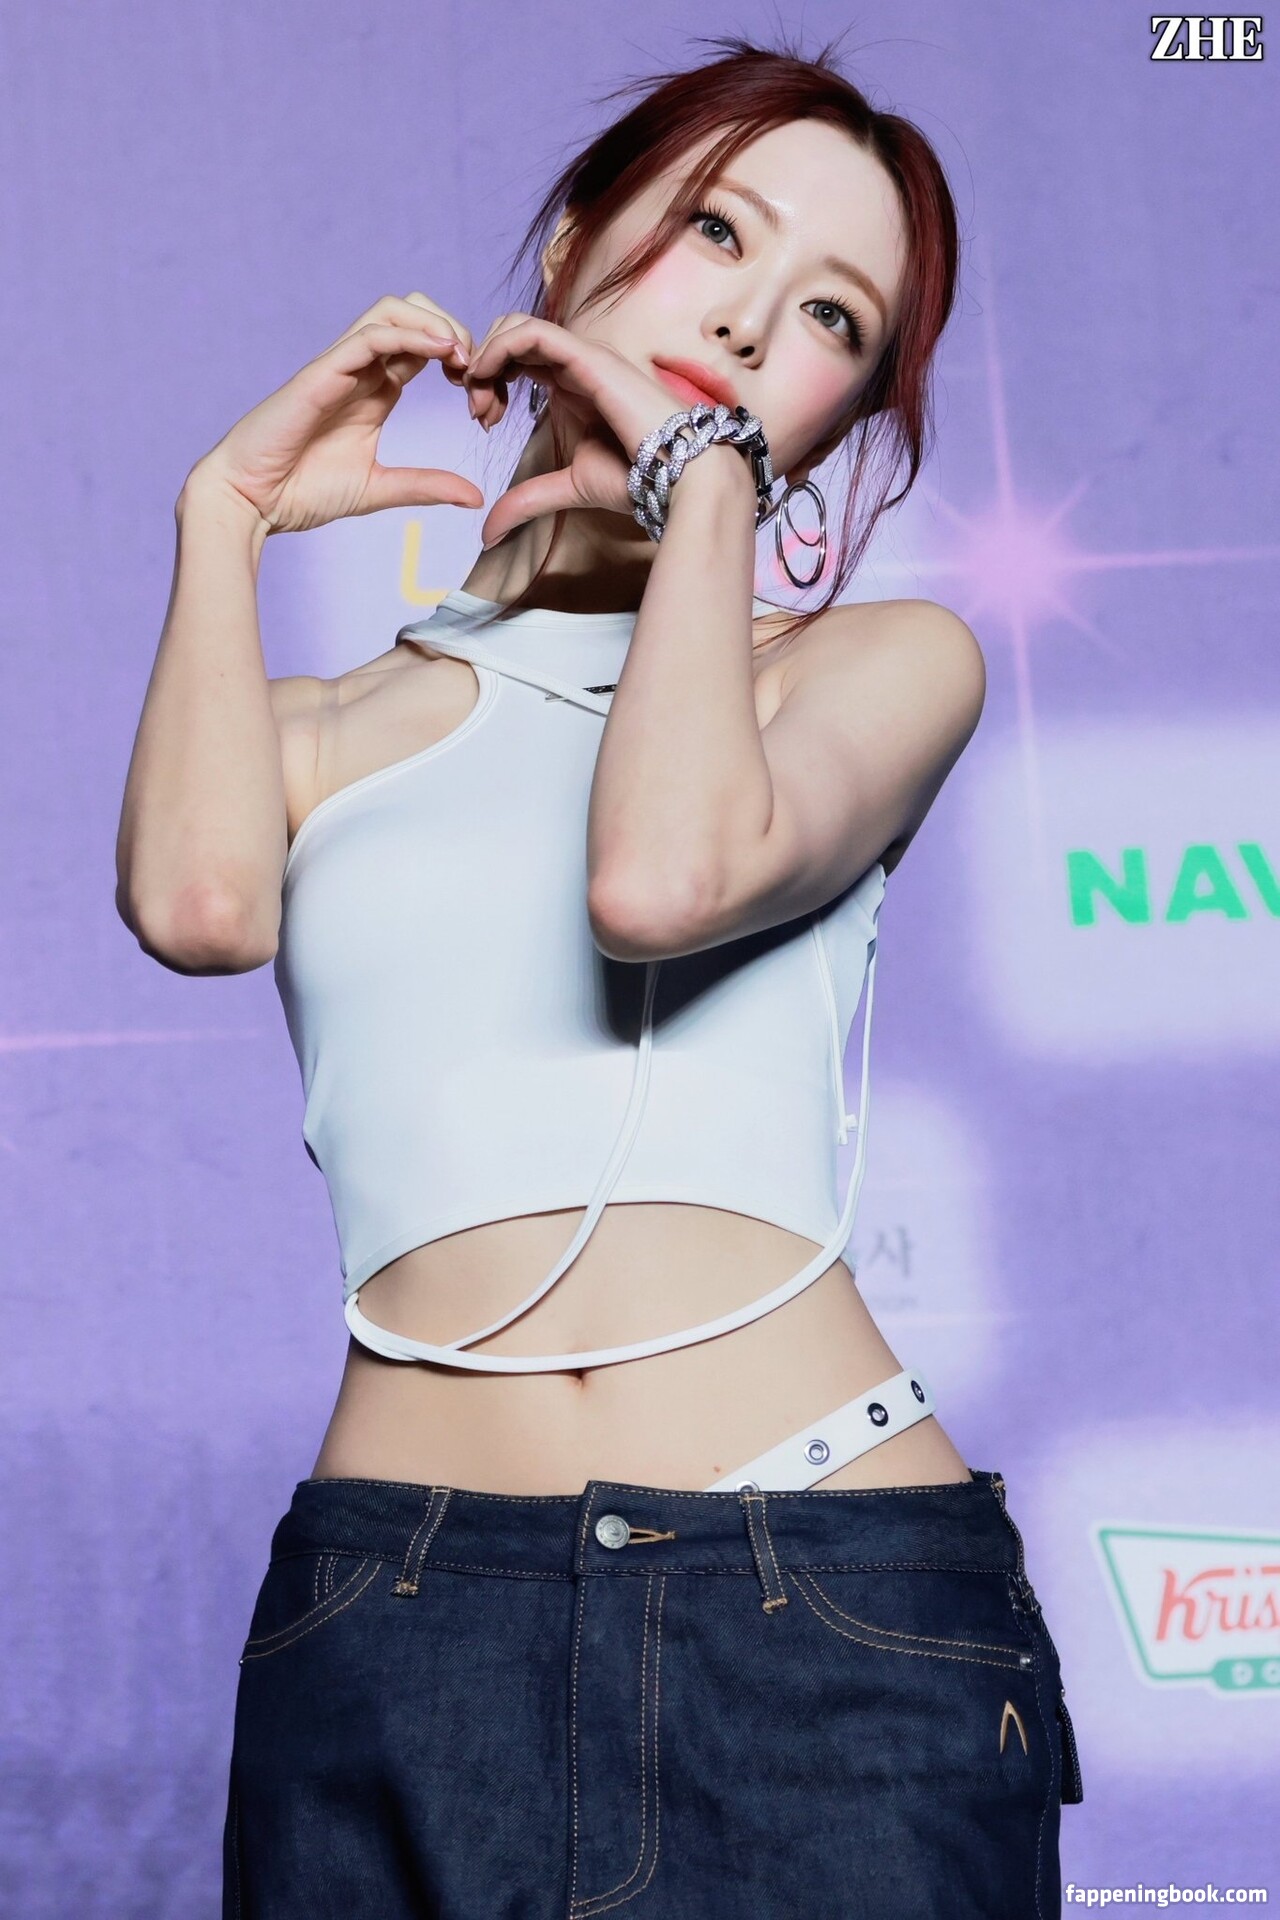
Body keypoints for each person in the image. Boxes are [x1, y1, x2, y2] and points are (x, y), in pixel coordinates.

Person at [116, 35, 1083, 1919]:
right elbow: (197, 903)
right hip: (397, 1618)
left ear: (835, 423)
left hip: (823, 1611)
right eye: (718, 228)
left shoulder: (873, 667)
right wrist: (218, 518)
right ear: (576, 239)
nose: (748, 319)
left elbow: (658, 879)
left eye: (830, 318)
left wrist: (700, 491)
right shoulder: (322, 729)